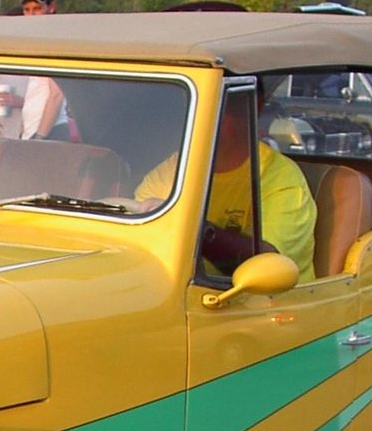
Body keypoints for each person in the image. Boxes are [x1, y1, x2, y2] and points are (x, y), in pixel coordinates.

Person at [135, 84, 316, 283]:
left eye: (219, 106)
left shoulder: (281, 178)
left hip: (263, 305)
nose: (206, 119)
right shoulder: (173, 169)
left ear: (252, 107)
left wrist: (197, 230)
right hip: (181, 292)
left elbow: (268, 263)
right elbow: (138, 234)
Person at [0, 0, 72, 141]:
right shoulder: (37, 44)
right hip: (32, 133)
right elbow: (36, 94)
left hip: (51, 132)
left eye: (37, 9)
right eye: (27, 9)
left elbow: (56, 95)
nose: (31, 15)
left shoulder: (55, 41)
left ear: (51, 8)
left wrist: (39, 137)